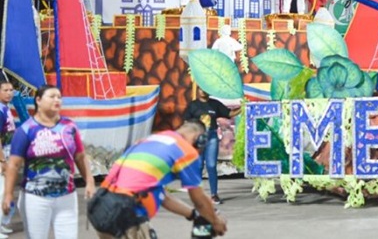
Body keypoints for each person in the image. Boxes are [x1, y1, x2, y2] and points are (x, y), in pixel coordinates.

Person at [88, 119, 226, 238]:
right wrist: (215, 221)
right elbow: (199, 199)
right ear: (199, 139)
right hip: (127, 215)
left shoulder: (150, 141)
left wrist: (193, 214)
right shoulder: (185, 150)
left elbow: (163, 197)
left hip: (101, 208)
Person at [2, 85, 96, 239]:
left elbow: (80, 157)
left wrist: (90, 181)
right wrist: (8, 194)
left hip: (67, 196)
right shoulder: (26, 130)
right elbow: (14, 164)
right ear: (38, 100)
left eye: (59, 97)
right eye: (51, 96)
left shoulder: (69, 127)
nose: (56, 100)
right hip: (35, 197)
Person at [184, 88, 239, 205]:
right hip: (198, 138)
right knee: (198, 166)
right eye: (200, 89)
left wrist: (243, 107)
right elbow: (186, 123)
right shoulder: (193, 105)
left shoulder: (214, 104)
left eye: (205, 88)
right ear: (197, 91)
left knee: (211, 165)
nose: (203, 91)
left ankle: (214, 195)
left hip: (212, 137)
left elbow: (229, 113)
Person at [0, 80, 16, 239]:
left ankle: (2, 224)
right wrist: (2, 161)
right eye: (5, 90)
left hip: (8, 154)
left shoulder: (5, 108)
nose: (9, 93)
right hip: (2, 157)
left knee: (6, 191)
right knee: (1, 191)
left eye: (11, 90)